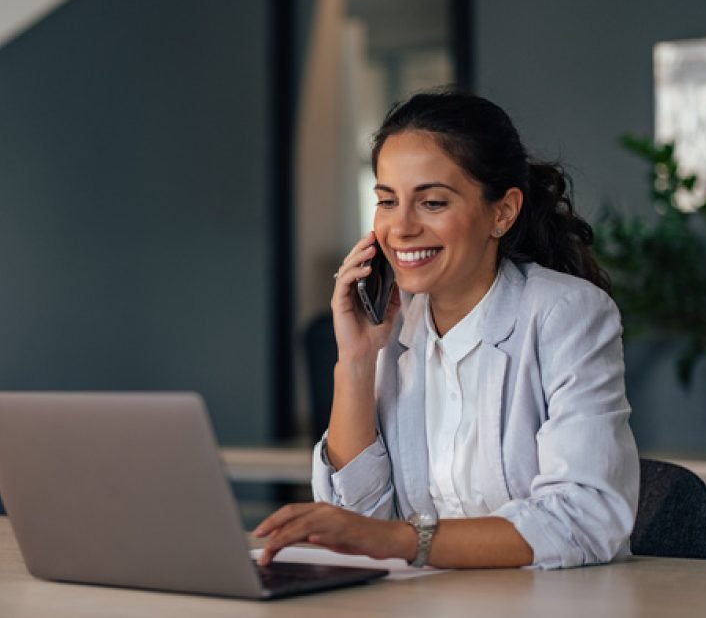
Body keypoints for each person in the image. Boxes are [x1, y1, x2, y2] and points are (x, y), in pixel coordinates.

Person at [254, 90, 638, 570]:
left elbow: (583, 517)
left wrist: (402, 539)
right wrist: (356, 359)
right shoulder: (393, 330)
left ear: (502, 212)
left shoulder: (567, 313)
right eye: (387, 201)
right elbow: (357, 525)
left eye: (432, 202)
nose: (401, 227)